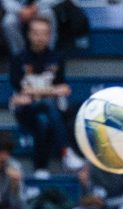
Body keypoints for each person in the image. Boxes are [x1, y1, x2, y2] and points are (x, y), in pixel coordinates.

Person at [8, 16, 85, 178]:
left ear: (50, 36)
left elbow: (63, 88)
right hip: (25, 109)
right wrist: (50, 91)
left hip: (48, 109)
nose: (40, 37)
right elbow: (22, 91)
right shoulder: (18, 59)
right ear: (29, 35)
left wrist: (37, 92)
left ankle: (41, 168)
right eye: (36, 33)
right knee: (48, 105)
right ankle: (66, 152)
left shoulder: (56, 58)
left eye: (44, 33)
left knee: (44, 118)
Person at [0, 0, 71, 58]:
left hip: (46, 4)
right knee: (9, 21)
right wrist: (20, 10)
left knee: (48, 14)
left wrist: (37, 6)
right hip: (21, 7)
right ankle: (20, 57)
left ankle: (49, 56)